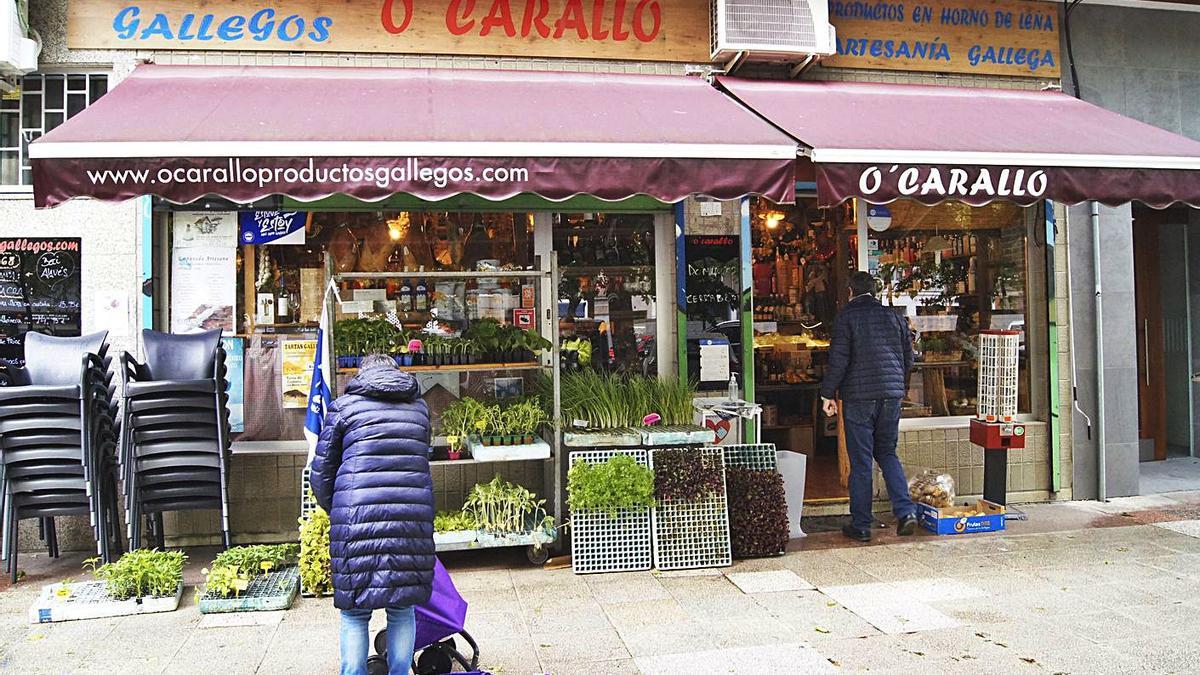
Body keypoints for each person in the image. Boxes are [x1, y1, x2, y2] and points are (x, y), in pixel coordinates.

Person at [311, 354, 435, 675]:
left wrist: (337, 509)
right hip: (410, 519)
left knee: (354, 613)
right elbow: (422, 457)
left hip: (355, 521)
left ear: (363, 374)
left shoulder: (344, 407)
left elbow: (322, 472)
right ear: (396, 374)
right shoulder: (419, 409)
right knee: (402, 608)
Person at [820, 272, 918, 542]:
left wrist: (828, 394)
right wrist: (896, 386)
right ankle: (906, 511)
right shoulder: (894, 317)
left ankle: (861, 525)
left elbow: (839, 360)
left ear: (850, 291)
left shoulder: (847, 317)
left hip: (859, 398)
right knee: (887, 452)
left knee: (861, 462)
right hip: (891, 396)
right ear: (873, 292)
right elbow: (909, 360)